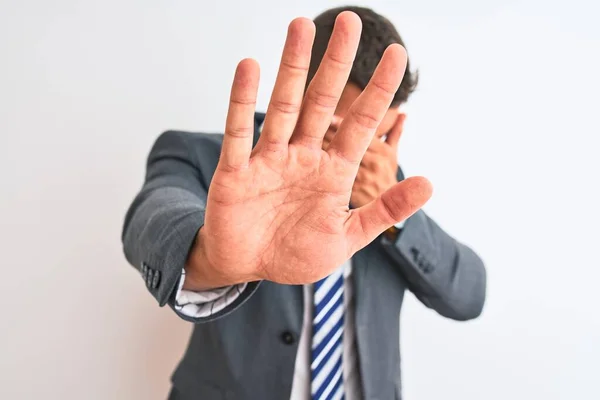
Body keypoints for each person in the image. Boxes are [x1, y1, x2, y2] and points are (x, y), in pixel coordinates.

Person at [122, 6, 486, 400]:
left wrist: (398, 221)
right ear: (304, 95)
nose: (358, 156)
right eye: (340, 131)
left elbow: (468, 295)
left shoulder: (387, 190)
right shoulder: (201, 155)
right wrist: (208, 257)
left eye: (372, 138)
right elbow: (150, 220)